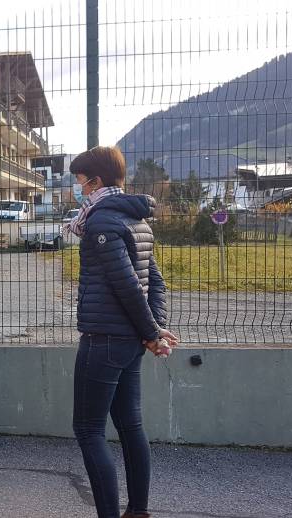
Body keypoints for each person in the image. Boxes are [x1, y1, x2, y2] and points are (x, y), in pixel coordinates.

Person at [66, 146, 178, 518]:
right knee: (130, 425)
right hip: (129, 342)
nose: (81, 191)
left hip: (104, 340)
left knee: (88, 429)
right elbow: (155, 282)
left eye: (82, 183)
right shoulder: (137, 219)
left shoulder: (101, 221)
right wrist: (153, 329)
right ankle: (139, 511)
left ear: (96, 181)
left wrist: (152, 333)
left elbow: (128, 284)